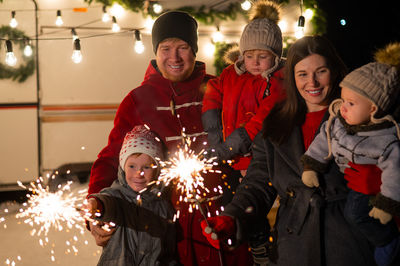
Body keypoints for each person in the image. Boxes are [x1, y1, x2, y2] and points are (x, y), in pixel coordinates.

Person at [87, 11, 252, 265]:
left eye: (183, 47)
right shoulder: (137, 101)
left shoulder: (218, 89)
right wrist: (96, 210)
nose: (174, 57)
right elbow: (111, 159)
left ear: (194, 50)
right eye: (165, 48)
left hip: (224, 219)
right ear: (156, 51)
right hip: (167, 231)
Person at [201, 35, 379, 266]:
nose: (312, 83)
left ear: (335, 71)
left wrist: (378, 183)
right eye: (302, 74)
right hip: (293, 243)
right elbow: (258, 182)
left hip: (349, 242)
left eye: (321, 71)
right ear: (291, 77)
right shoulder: (276, 123)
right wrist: (233, 217)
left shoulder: (362, 118)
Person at [301, 42, 400, 266]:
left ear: (373, 109)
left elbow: (395, 171)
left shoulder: (385, 137)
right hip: (313, 235)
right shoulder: (338, 121)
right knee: (354, 214)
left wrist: (387, 202)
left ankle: (388, 242)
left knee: (357, 214)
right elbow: (323, 141)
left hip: (366, 199)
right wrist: (311, 164)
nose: (343, 107)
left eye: (351, 103)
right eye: (343, 100)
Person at [201, 1, 285, 264]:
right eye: (249, 56)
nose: (255, 62)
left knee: (252, 204)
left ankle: (261, 246)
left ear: (276, 56)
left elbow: (261, 120)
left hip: (256, 159)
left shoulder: (278, 82)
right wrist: (215, 135)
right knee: (229, 201)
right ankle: (242, 243)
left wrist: (237, 142)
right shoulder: (231, 74)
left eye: (263, 56)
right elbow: (213, 92)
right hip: (230, 155)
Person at [84, 125, 178, 265]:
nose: (138, 174)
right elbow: (107, 203)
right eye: (132, 166)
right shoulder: (118, 197)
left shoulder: (163, 205)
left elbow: (169, 251)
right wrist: (95, 204)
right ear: (123, 167)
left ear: (158, 170)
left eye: (146, 167)